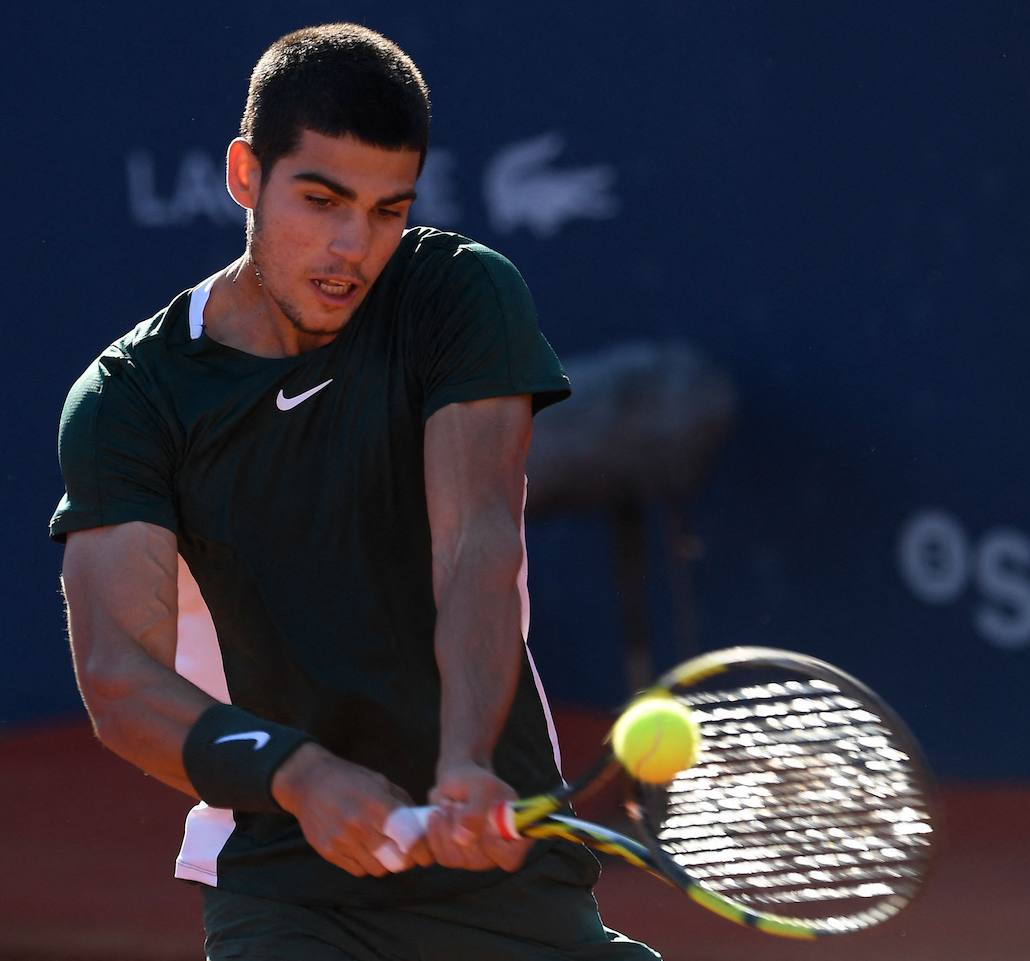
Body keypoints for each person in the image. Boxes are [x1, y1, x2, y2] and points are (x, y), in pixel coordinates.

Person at [50, 23, 659, 961]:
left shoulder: (455, 296)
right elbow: (120, 680)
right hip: (287, 895)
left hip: (504, 880)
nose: (352, 248)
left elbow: (474, 546)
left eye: (386, 210)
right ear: (245, 174)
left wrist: (464, 758)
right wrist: (294, 772)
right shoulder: (134, 396)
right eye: (322, 199)